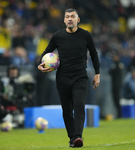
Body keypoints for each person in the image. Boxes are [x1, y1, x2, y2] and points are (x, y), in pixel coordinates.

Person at [37, 8, 100, 148]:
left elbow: (94, 54)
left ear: (78, 20)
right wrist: (40, 65)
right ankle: (72, 138)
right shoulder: (58, 36)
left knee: (79, 105)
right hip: (63, 78)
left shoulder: (85, 35)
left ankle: (78, 136)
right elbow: (46, 52)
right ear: (64, 20)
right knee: (67, 109)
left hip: (80, 77)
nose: (70, 19)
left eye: (72, 16)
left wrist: (97, 74)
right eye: (67, 17)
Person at [109, 54, 124, 118]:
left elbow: (113, 71)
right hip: (114, 85)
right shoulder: (114, 64)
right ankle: (118, 114)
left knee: (118, 100)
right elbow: (110, 72)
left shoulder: (119, 64)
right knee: (115, 100)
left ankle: (120, 114)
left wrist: (113, 70)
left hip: (118, 85)